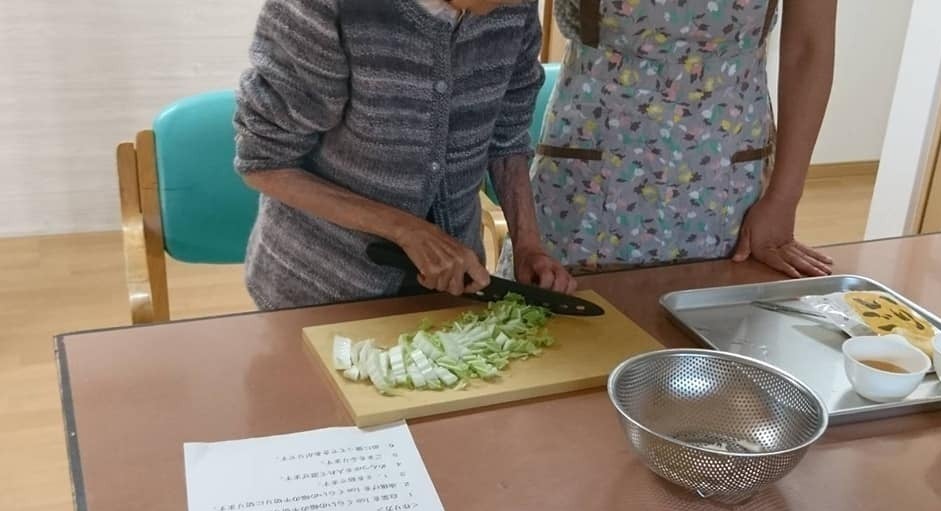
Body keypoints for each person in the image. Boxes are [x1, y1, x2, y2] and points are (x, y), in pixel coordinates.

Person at [233, 0, 575, 310]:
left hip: (450, 287)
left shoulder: (514, 9)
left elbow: (508, 138)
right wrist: (405, 230)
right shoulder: (323, 7)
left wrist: (528, 247)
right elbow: (265, 164)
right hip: (319, 289)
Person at [498, 0, 836, 279]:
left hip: (728, 185)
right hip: (587, 178)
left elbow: (809, 48)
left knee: (714, 328)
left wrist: (783, 198)